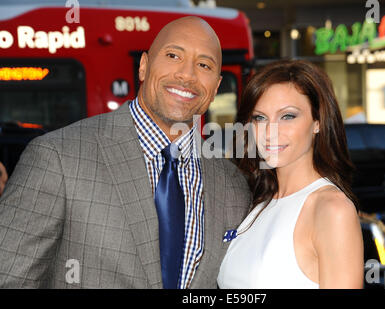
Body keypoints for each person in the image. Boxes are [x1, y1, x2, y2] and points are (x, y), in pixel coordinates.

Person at [0, 16, 251, 288]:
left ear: (215, 87)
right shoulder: (57, 157)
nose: (187, 74)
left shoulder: (234, 186)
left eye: (204, 65)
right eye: (173, 55)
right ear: (144, 67)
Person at [218, 60, 364, 289]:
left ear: (317, 122)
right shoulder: (257, 204)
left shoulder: (332, 209)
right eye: (260, 118)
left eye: (287, 116)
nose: (270, 132)